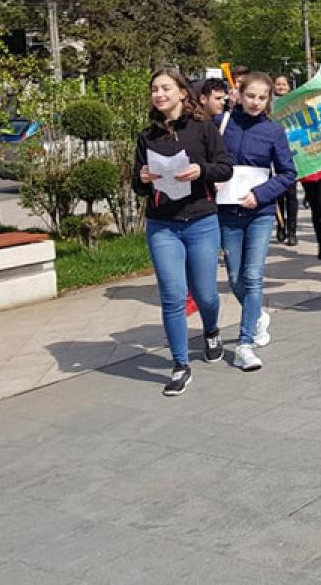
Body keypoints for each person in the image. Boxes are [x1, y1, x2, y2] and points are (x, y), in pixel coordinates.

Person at [133, 69, 233, 396]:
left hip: (201, 221)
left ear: (182, 92)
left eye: (165, 88)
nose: (159, 94)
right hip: (163, 225)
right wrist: (143, 179)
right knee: (173, 296)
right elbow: (137, 184)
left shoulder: (203, 128)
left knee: (205, 294)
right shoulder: (147, 136)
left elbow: (225, 168)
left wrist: (201, 170)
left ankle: (211, 331)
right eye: (154, 89)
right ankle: (180, 364)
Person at [216, 72, 297, 372]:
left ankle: (244, 344)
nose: (256, 102)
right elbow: (209, 163)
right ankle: (258, 316)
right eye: (251, 96)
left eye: (263, 98)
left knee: (253, 276)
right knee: (235, 278)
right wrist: (211, 179)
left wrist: (260, 195)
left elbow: (288, 173)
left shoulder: (273, 131)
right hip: (227, 212)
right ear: (239, 93)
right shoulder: (221, 125)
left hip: (259, 213)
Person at [271, 74, 299, 246]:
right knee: (278, 194)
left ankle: (292, 230)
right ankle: (281, 225)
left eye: (284, 84)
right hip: (274, 153)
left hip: (293, 154)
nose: (281, 87)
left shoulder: (294, 104)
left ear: (289, 87)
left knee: (291, 195)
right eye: (278, 84)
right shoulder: (269, 105)